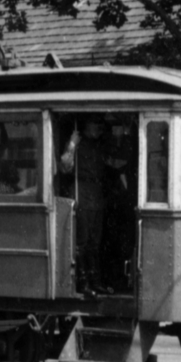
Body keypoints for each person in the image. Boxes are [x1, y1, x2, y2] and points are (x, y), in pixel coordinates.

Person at [58, 119, 126, 295]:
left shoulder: (99, 146)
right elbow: (65, 166)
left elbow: (112, 163)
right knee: (83, 241)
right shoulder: (76, 144)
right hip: (82, 192)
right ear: (88, 126)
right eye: (96, 125)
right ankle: (83, 283)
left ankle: (95, 282)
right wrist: (72, 143)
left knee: (95, 242)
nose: (98, 129)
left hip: (96, 195)